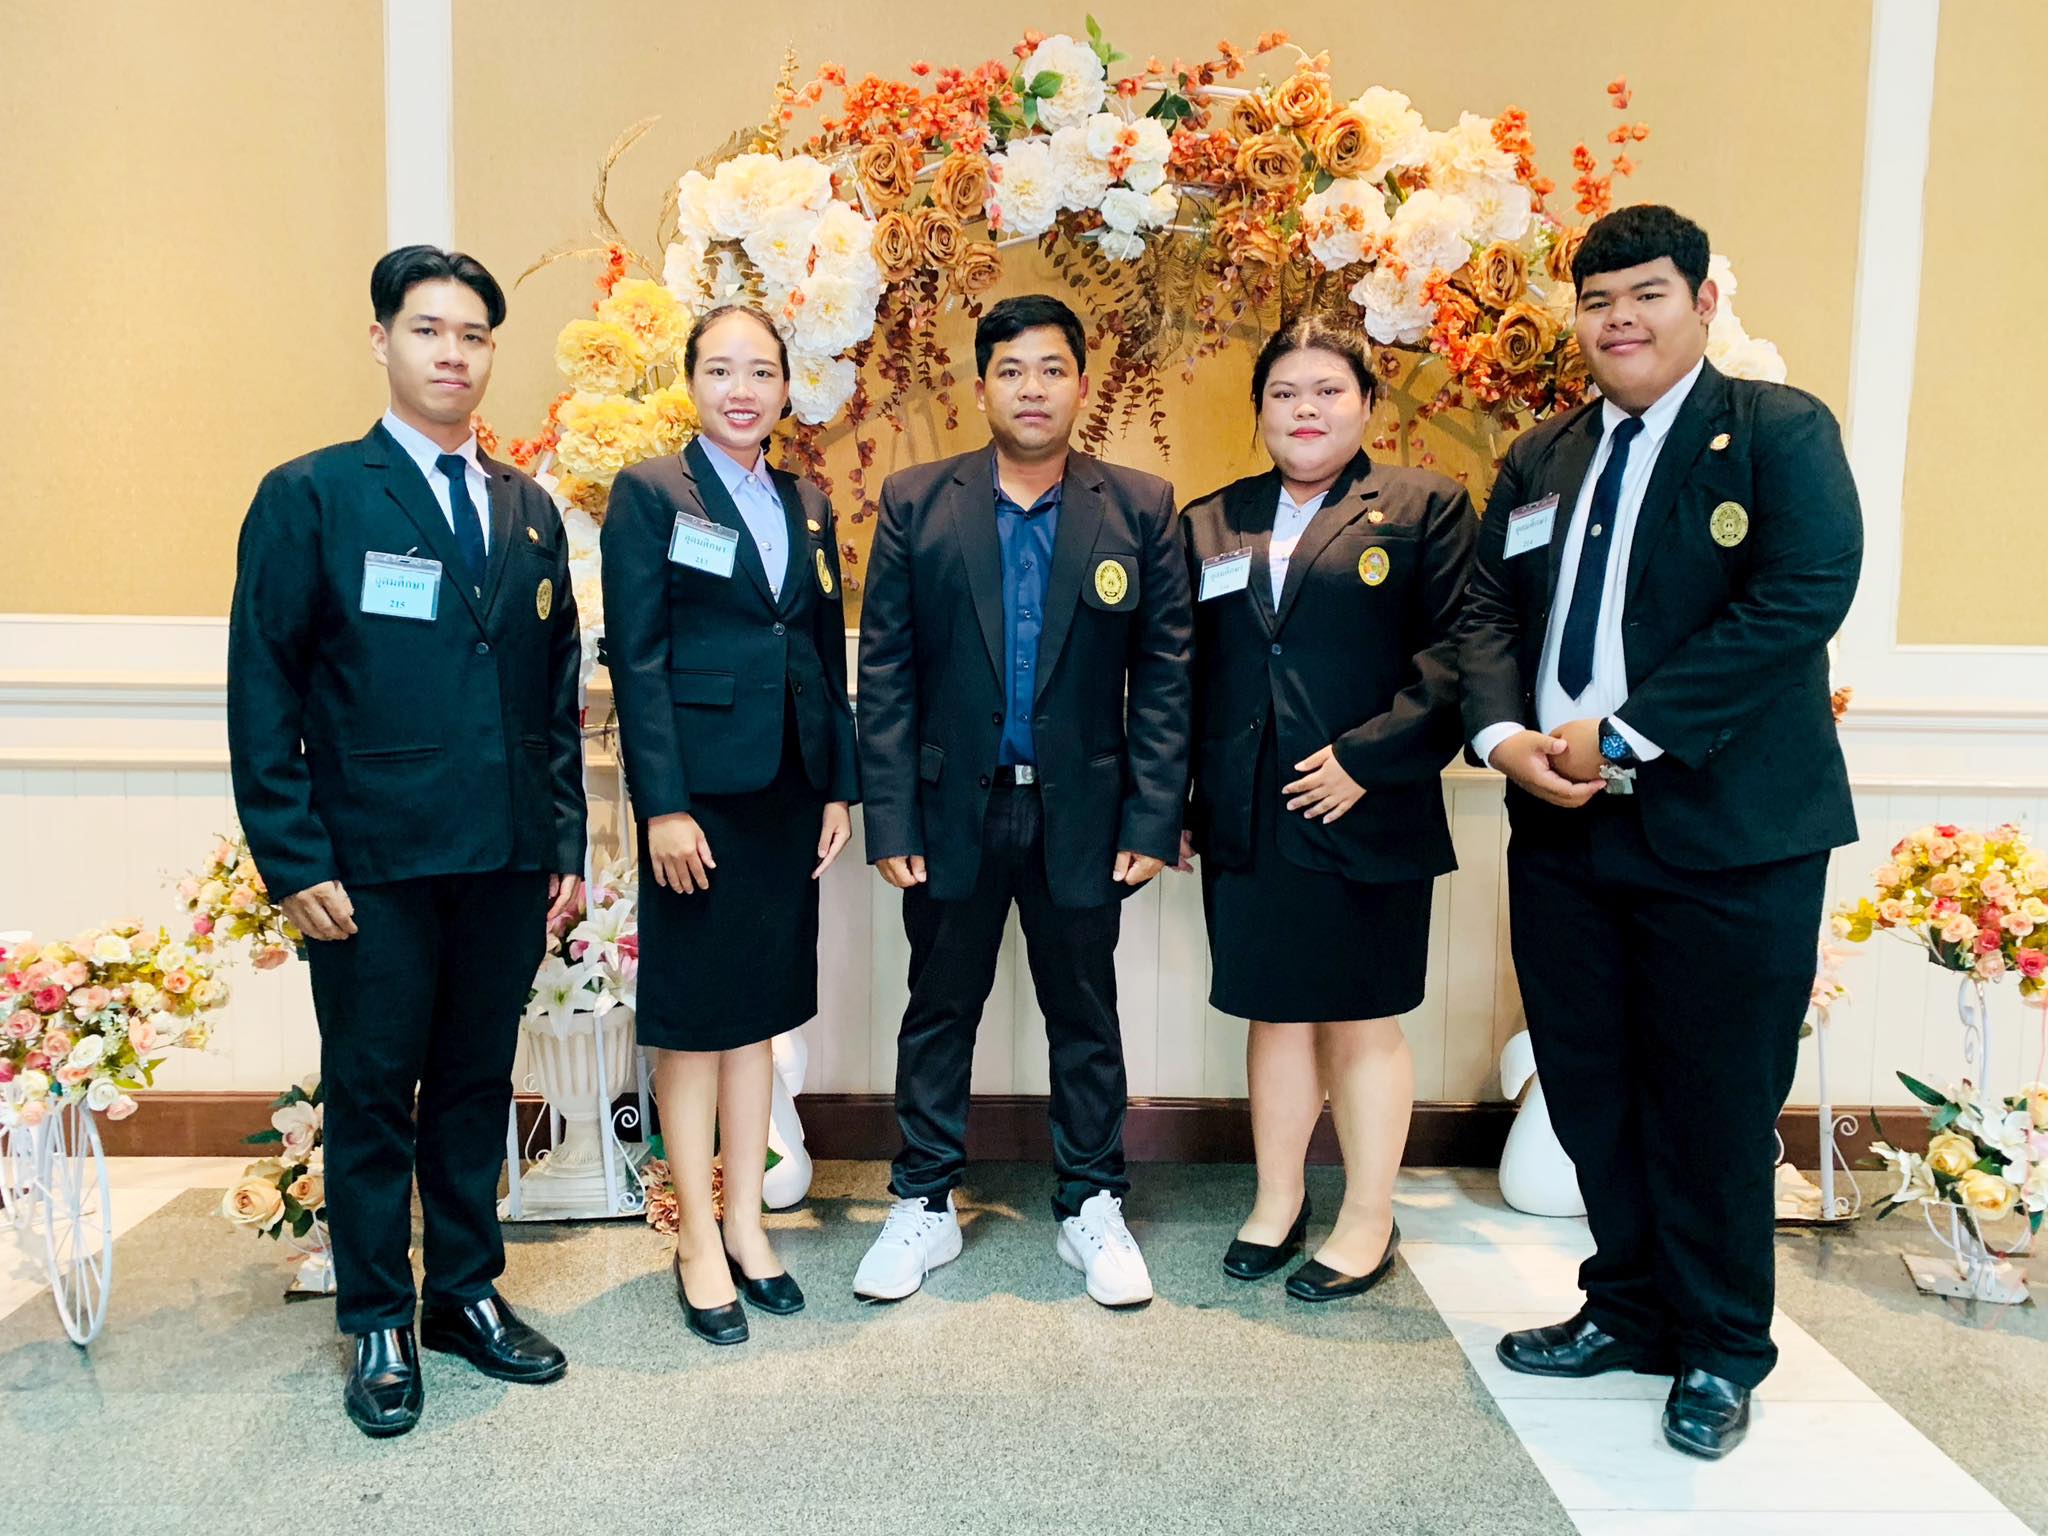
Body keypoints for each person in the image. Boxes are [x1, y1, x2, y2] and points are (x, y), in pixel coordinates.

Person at [1457, 204, 1861, 1459]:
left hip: (1728, 836)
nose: (1617, 319)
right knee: (1592, 1089)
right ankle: (1625, 1308)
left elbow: (1799, 596)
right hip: (1563, 832)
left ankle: (1720, 1348)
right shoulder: (1542, 457)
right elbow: (1484, 611)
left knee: (1714, 1103)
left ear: (1699, 303)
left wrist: (1627, 734)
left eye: (1644, 294)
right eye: (1595, 301)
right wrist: (1503, 738)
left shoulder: (1775, 434)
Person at [227, 246, 587, 1438]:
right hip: (370, 865)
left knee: (477, 1086)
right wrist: (293, 859)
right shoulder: (314, 496)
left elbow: (550, 698)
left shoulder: (526, 509)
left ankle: (464, 1295)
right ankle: (379, 1315)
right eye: (429, 330)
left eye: (474, 335)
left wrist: (562, 841)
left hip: (502, 860)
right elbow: (263, 689)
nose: (453, 354)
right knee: (375, 1091)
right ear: (381, 340)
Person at [853, 294, 1192, 1308]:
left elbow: (1165, 676)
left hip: (1083, 812)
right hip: (950, 808)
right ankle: (922, 1200)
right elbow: (886, 670)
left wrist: (1152, 816)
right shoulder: (918, 500)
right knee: (938, 1008)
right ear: (980, 387)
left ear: (1081, 386)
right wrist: (889, 815)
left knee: (1084, 1011)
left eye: (1050, 369)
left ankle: (1091, 1202)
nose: (1031, 388)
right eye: (1010, 370)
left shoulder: (1140, 506)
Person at [1179, 315, 1475, 1300]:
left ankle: (1366, 1216)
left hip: (1365, 807)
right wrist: (1179, 798)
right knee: (1272, 1013)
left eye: (1327, 391)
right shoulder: (1211, 521)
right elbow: (1184, 673)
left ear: (1366, 405)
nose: (1304, 409)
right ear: (1258, 409)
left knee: (1359, 1017)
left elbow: (1455, 658)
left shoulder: (1425, 508)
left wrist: (1364, 761)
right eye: (1283, 393)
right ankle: (1276, 1201)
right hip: (1248, 811)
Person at [601, 304, 857, 1345]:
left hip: (788, 791)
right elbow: (638, 657)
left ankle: (749, 1224)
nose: (741, 389)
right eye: (720, 370)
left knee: (759, 1013)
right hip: (697, 801)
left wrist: (837, 786)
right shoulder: (652, 492)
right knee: (695, 1020)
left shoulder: (805, 500)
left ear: (787, 387)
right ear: (691, 382)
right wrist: (661, 805)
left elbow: (819, 649)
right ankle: (696, 1237)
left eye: (760, 371)